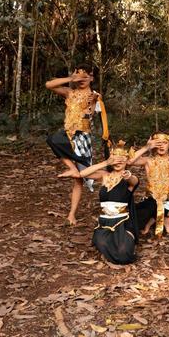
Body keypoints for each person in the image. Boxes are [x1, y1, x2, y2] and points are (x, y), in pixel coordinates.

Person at [45, 67, 110, 225]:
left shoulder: (94, 96)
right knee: (53, 139)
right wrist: (71, 79)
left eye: (85, 76)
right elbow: (49, 85)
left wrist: (106, 137)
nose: (81, 78)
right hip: (67, 134)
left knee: (84, 176)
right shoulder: (69, 92)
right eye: (78, 75)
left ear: (92, 78)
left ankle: (115, 179)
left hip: (82, 138)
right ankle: (72, 169)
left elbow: (101, 115)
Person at [75, 141, 140, 266]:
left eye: (122, 159)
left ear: (127, 161)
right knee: (103, 245)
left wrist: (128, 175)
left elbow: (134, 181)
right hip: (104, 222)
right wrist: (105, 163)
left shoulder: (129, 178)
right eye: (115, 158)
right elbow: (82, 174)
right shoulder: (104, 175)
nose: (118, 162)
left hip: (123, 222)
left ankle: (127, 242)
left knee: (123, 255)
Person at [129, 133, 169, 237]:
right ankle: (153, 219)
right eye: (158, 143)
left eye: (164, 143)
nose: (161, 146)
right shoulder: (148, 160)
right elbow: (129, 161)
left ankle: (165, 219)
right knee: (136, 217)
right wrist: (147, 147)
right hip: (152, 200)